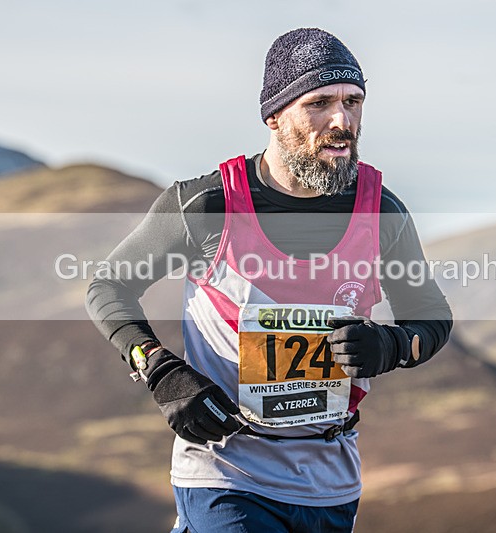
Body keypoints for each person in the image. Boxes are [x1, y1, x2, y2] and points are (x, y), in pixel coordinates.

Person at [86, 27, 453, 533]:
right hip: (225, 474)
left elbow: (431, 317)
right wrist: (160, 370)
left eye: (354, 101)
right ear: (275, 115)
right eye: (319, 102)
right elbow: (108, 286)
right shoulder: (208, 204)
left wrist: (390, 346)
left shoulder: (381, 211)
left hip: (331, 482)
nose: (342, 121)